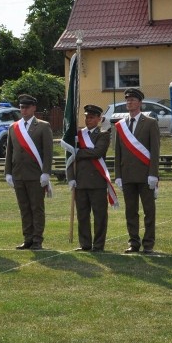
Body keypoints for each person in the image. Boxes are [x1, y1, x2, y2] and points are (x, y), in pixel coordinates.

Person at [113, 87, 160, 254]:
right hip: (127, 175)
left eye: (132, 100)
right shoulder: (121, 125)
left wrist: (154, 174)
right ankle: (133, 242)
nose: (129, 102)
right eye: (127, 99)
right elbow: (117, 152)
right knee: (131, 211)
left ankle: (148, 244)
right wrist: (117, 175)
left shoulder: (150, 123)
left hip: (145, 175)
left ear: (140, 103)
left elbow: (155, 151)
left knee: (149, 211)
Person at [5, 94, 53, 250]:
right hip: (18, 174)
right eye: (21, 107)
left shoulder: (43, 126)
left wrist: (46, 172)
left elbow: (48, 152)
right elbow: (9, 152)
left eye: (26, 107)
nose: (23, 110)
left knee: (36, 208)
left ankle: (37, 239)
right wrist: (8, 173)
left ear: (34, 108)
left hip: (35, 175)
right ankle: (27, 238)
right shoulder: (14, 127)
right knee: (24, 208)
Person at [67, 104, 113, 252]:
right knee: (82, 215)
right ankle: (85, 244)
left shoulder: (103, 134)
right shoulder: (78, 136)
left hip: (97, 181)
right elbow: (70, 157)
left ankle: (98, 245)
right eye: (86, 117)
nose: (88, 120)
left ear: (99, 119)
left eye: (92, 117)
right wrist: (71, 177)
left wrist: (79, 152)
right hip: (80, 181)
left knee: (99, 216)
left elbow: (97, 152)